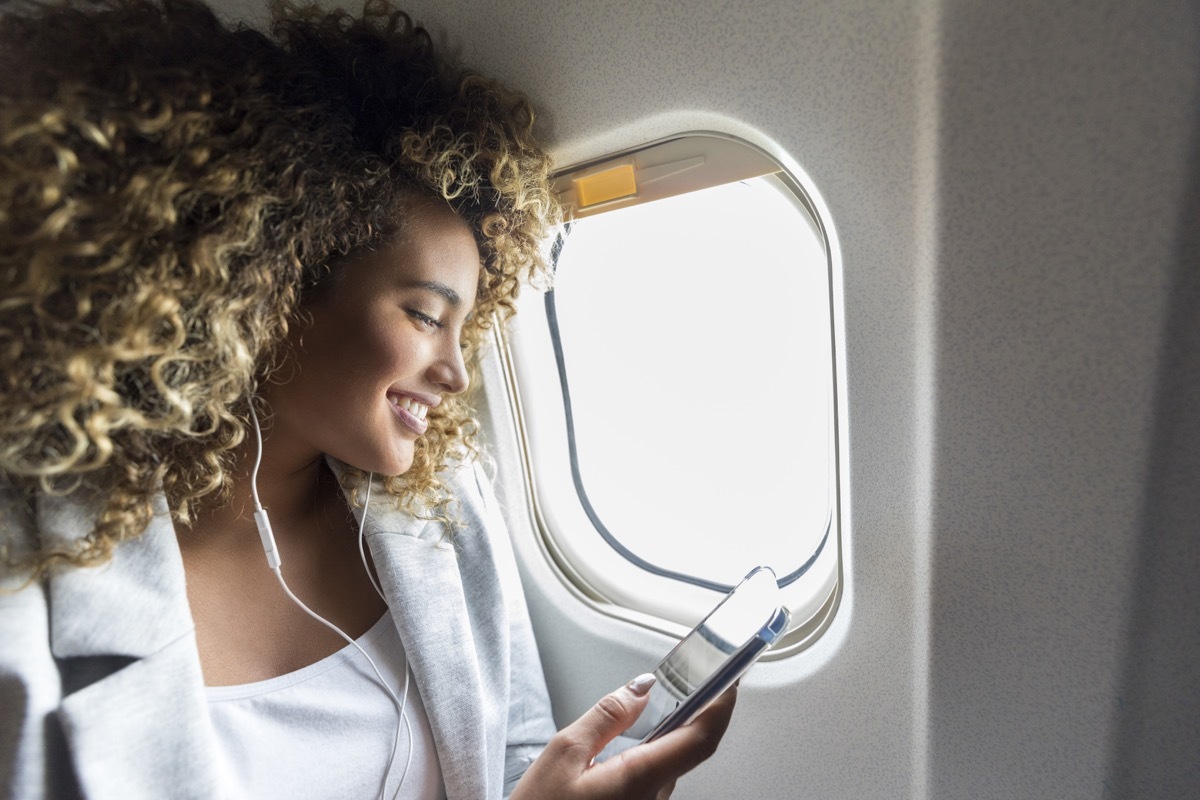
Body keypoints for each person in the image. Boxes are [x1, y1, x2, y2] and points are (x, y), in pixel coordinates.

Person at [0, 0, 736, 798]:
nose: (455, 374)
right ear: (269, 292)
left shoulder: (444, 514)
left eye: (464, 328)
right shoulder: (37, 560)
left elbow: (509, 759)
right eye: (424, 315)